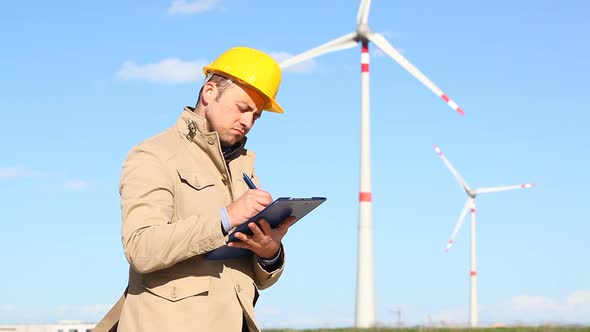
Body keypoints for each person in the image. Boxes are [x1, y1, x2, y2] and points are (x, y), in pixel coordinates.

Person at [97, 46, 297, 332]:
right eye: (242, 109)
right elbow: (140, 249)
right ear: (209, 92)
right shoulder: (153, 154)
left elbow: (256, 278)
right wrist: (225, 218)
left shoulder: (243, 167)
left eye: (256, 116)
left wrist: (269, 252)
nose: (248, 122)